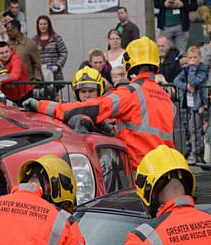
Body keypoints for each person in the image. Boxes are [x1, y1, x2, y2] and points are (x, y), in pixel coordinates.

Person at [24, 37, 175, 171]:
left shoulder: (130, 93)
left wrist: (42, 106)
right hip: (166, 167)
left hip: (140, 169)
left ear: (129, 60)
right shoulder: (166, 99)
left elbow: (91, 108)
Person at [174, 46, 208, 163]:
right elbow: (176, 81)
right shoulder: (186, 70)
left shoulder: (202, 70)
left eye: (195, 57)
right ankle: (194, 152)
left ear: (200, 58)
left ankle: (196, 154)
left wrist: (192, 68)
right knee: (190, 129)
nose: (192, 60)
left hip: (198, 105)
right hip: (188, 105)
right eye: (190, 58)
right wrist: (186, 87)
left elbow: (194, 81)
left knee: (196, 130)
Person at [34, 15, 67, 84]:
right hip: (40, 75)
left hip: (54, 74)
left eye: (45, 24)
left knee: (53, 93)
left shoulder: (56, 38)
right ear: (38, 26)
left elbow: (64, 52)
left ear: (49, 25)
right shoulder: (34, 39)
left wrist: (58, 65)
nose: (43, 26)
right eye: (40, 24)